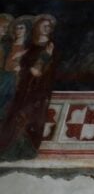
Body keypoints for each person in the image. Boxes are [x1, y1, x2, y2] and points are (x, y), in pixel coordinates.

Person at [0, 15, 56, 160]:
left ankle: (21, 151)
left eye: (49, 26)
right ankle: (8, 150)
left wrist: (41, 60)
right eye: (43, 25)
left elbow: (37, 71)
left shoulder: (47, 48)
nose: (46, 28)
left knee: (24, 120)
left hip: (34, 91)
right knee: (13, 118)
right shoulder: (26, 47)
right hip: (21, 88)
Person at [0, 19, 26, 121]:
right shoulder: (7, 45)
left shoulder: (27, 47)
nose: (18, 30)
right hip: (5, 75)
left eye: (21, 28)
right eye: (16, 28)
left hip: (16, 79)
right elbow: (4, 63)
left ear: (26, 30)